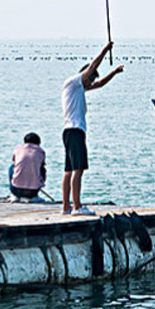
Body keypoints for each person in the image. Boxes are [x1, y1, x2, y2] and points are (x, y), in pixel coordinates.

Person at [61, 41, 124, 215]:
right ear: (84, 75)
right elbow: (94, 65)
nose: (91, 83)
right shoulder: (74, 83)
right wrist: (106, 49)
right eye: (90, 78)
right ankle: (77, 206)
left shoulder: (78, 89)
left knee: (68, 170)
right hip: (75, 131)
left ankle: (66, 207)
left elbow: (101, 84)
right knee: (77, 169)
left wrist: (115, 72)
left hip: (69, 131)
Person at [9, 132, 47, 203]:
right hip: (33, 191)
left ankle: (15, 195)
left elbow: (14, 160)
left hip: (16, 189)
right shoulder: (41, 151)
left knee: (12, 167)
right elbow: (42, 165)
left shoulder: (18, 149)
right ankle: (34, 196)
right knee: (41, 169)